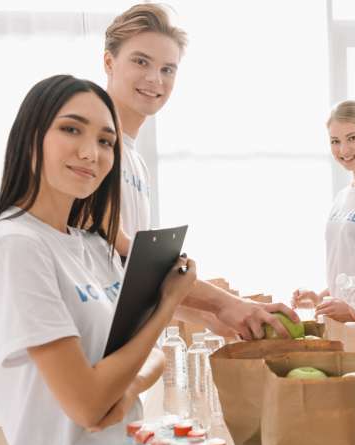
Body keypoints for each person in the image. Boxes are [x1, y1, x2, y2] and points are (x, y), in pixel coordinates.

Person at [0, 74, 196, 445]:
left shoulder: (94, 246)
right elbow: (86, 405)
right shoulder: (14, 246)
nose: (90, 153)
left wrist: (125, 388)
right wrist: (168, 305)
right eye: (71, 129)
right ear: (30, 136)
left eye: (105, 141)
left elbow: (145, 357)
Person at [103, 4, 296, 339]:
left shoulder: (134, 158)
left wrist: (207, 316)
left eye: (168, 69)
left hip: (121, 352)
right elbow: (120, 249)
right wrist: (223, 304)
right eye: (140, 61)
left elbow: (130, 279)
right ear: (109, 62)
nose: (154, 79)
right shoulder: (96, 149)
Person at [292, 101, 355, 323]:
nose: (344, 150)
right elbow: (354, 268)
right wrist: (320, 297)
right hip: (345, 327)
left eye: (352, 138)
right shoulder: (342, 197)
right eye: (335, 141)